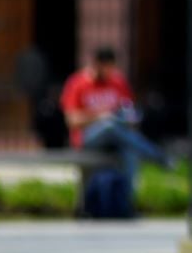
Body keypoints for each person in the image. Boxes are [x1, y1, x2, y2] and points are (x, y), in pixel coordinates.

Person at [60, 47, 169, 182]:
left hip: (117, 140)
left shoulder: (118, 82)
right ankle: (157, 155)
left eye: (111, 68)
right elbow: (71, 121)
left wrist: (129, 119)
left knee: (129, 152)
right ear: (96, 64)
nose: (109, 73)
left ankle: (125, 201)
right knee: (109, 126)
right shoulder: (77, 83)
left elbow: (129, 109)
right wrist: (100, 117)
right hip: (86, 139)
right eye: (106, 68)